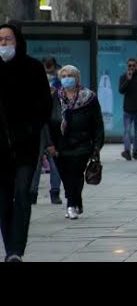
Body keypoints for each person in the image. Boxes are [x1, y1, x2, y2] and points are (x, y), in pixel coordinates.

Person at [0, 24, 52, 262]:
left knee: (22, 194)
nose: (3, 44)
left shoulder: (32, 68)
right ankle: (10, 248)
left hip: (25, 146)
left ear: (17, 41)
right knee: (3, 200)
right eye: (0, 40)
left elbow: (44, 105)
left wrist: (30, 128)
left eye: (8, 39)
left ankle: (17, 250)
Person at [49, 65, 105, 220]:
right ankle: (76, 201)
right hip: (59, 145)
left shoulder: (89, 97)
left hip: (82, 144)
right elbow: (47, 122)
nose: (67, 78)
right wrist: (50, 144)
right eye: (64, 75)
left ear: (77, 78)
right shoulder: (55, 97)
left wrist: (97, 146)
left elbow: (98, 124)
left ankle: (71, 204)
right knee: (65, 176)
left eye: (70, 75)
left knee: (75, 173)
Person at [31, 56, 63, 205]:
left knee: (53, 160)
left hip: (52, 126)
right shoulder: (36, 84)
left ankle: (53, 192)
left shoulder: (60, 85)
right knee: (37, 163)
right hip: (39, 126)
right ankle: (34, 193)